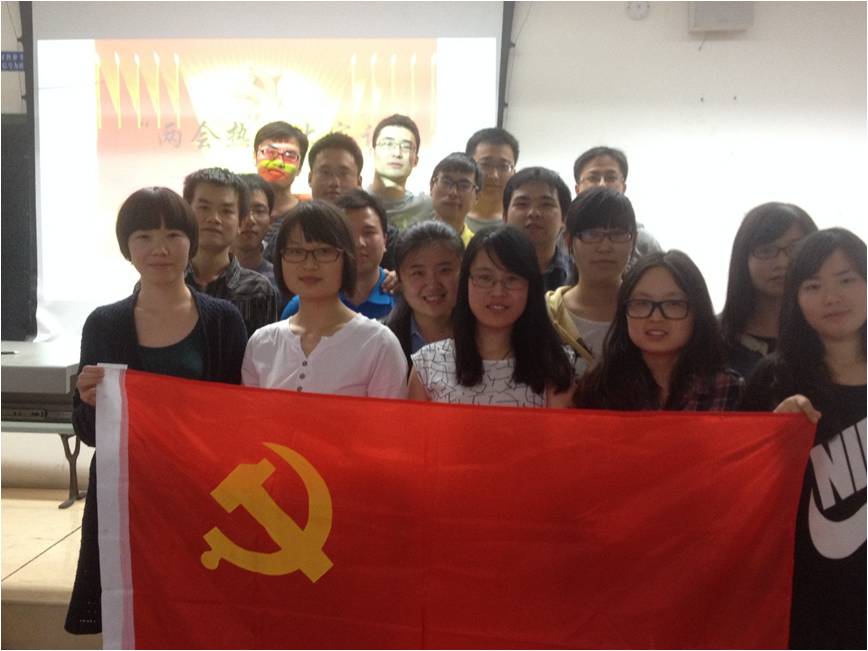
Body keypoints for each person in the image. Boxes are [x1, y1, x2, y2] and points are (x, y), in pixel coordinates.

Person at [65, 187, 247, 635]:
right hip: (127, 493)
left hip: (202, 491)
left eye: (172, 235)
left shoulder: (223, 320)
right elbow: (90, 433)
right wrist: (87, 399)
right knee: (131, 611)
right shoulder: (104, 323)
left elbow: (239, 417)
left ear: (191, 241)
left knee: (203, 613)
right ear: (127, 247)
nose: (159, 249)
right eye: (144, 236)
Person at [741, 228, 866, 650]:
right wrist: (770, 438)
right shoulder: (773, 379)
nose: (832, 297)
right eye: (813, 286)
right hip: (807, 596)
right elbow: (739, 493)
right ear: (794, 298)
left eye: (846, 279)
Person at [243, 200, 407, 398]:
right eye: (296, 251)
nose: (309, 265)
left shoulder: (379, 344)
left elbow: (388, 418)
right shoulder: (261, 343)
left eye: (324, 252)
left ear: (347, 258)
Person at [408, 225, 576, 407]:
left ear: (531, 286)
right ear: (466, 282)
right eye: (485, 278)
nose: (498, 292)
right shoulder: (428, 365)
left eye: (512, 279)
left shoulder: (555, 365)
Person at [573, 250, 743, 410]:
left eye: (673, 304)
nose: (656, 317)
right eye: (642, 303)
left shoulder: (725, 387)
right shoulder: (596, 388)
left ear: (698, 312)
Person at [719, 202, 817, 379]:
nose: (782, 263)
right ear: (743, 259)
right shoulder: (712, 338)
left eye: (795, 248)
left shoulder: (832, 334)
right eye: (766, 250)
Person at [182, 167, 280, 336]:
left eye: (226, 211)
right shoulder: (163, 281)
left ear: (240, 222)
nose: (214, 218)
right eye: (204, 207)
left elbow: (266, 350)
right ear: (186, 214)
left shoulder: (258, 289)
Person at [546, 187, 635, 362]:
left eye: (618, 234)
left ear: (633, 241)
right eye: (592, 234)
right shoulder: (548, 314)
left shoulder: (648, 312)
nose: (605, 247)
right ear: (569, 241)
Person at [281, 190, 395, 320]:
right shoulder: (302, 306)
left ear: (385, 240)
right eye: (348, 233)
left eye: (368, 233)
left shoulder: (404, 296)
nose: (359, 243)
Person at [384, 220, 464, 368]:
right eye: (418, 273)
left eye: (444, 270)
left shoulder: (486, 334)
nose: (432, 284)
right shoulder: (382, 340)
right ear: (399, 279)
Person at [573, 146, 661, 267]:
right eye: (593, 178)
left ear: (623, 187)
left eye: (611, 178)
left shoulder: (644, 242)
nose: (602, 184)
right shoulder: (562, 239)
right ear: (578, 189)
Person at [503, 166, 573, 291]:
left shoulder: (579, 275)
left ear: (564, 218)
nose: (533, 213)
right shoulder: (485, 272)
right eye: (522, 204)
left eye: (546, 204)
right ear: (504, 216)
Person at [368, 113, 434, 231]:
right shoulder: (354, 203)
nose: (397, 153)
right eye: (388, 144)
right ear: (372, 153)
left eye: (406, 147)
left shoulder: (427, 209)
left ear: (416, 160)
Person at [464, 127, 519, 232]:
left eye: (504, 166)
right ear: (468, 167)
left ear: (514, 173)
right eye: (485, 165)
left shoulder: (521, 223)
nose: (494, 175)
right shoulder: (444, 213)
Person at [253, 120, 309, 219]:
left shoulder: (309, 216)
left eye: (290, 155)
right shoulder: (235, 208)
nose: (279, 163)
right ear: (255, 157)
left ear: (300, 167)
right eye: (270, 152)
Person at [233, 173, 279, 289]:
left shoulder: (281, 280)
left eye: (259, 211)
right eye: (241, 210)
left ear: (271, 220)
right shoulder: (205, 276)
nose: (250, 220)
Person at [429, 152, 481, 247]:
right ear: (432, 186)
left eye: (464, 186)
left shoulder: (476, 249)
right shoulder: (411, 240)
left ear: (477, 196)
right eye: (446, 182)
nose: (453, 192)